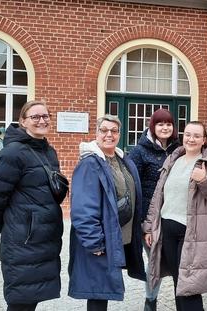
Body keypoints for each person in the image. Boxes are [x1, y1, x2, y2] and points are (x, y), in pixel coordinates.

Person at [0, 100, 66, 311]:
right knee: (21, 301)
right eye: (35, 117)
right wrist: (12, 225)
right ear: (23, 122)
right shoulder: (13, 153)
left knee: (31, 296)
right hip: (24, 241)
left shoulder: (48, 151)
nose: (41, 120)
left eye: (45, 116)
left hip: (44, 239)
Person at [142, 121, 207, 311]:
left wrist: (205, 180)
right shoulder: (173, 159)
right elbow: (158, 195)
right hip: (167, 230)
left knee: (189, 287)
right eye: (188, 134)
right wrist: (149, 226)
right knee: (178, 283)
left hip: (192, 234)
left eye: (196, 136)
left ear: (204, 140)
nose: (191, 139)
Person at [68, 115, 145, 311]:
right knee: (98, 293)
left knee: (104, 290)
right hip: (101, 240)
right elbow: (83, 207)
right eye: (104, 130)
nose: (109, 134)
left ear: (119, 134)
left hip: (116, 237)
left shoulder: (122, 159)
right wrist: (94, 241)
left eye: (114, 130)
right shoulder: (90, 163)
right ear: (96, 133)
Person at [129, 109, 180, 311]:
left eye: (168, 124)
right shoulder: (140, 151)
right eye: (160, 124)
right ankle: (151, 301)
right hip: (148, 218)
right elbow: (133, 185)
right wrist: (144, 225)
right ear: (153, 126)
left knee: (175, 261)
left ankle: (182, 301)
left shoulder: (179, 149)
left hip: (172, 215)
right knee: (155, 261)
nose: (165, 127)